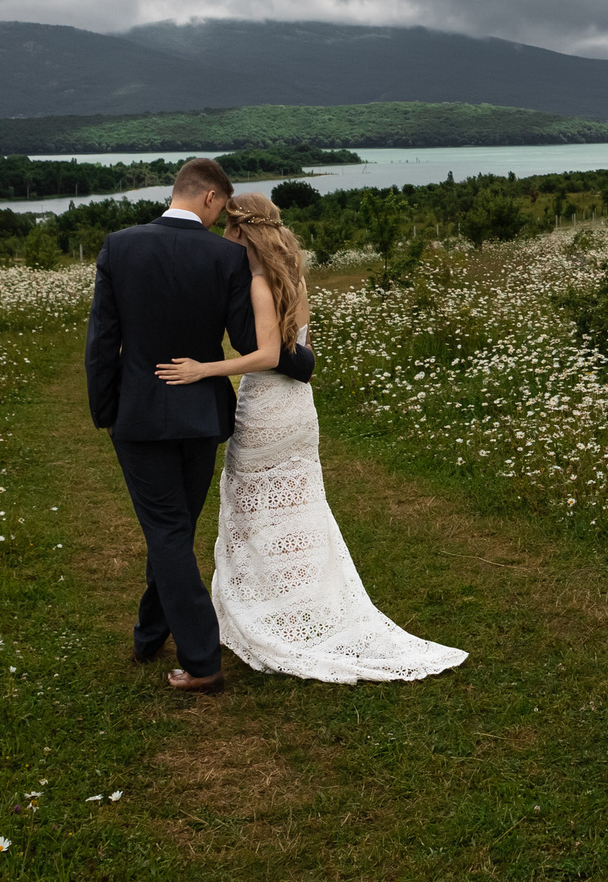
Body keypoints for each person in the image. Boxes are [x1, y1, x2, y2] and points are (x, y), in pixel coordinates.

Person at [154, 190, 467, 683]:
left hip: (266, 408)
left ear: (239, 230)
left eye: (227, 229)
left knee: (251, 511)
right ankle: (296, 601)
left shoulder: (259, 281)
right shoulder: (293, 275)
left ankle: (264, 608)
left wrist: (203, 369)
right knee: (299, 510)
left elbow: (269, 355)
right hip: (299, 409)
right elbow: (305, 349)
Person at [85, 157, 259, 693]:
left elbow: (101, 342)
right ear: (209, 197)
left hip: (138, 414)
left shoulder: (120, 245)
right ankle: (149, 633)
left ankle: (203, 661)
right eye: (221, 207)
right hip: (202, 414)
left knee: (167, 533)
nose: (220, 218)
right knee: (174, 531)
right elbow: (250, 342)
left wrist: (106, 412)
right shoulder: (226, 257)